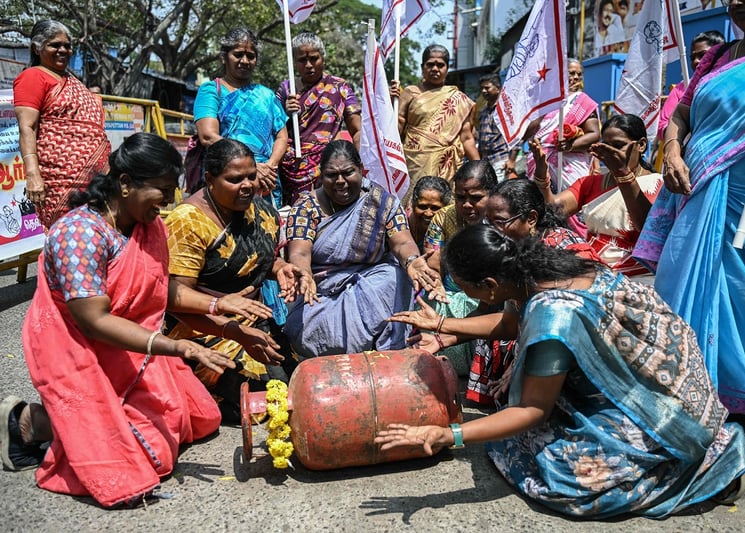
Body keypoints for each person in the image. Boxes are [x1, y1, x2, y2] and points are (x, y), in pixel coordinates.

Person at [378, 225, 745, 519]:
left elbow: (531, 411)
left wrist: (450, 434)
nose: (466, 296)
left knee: (557, 473)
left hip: (664, 415)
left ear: (489, 285)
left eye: (465, 289)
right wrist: (445, 325)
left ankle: (709, 474)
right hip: (672, 383)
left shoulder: (552, 316)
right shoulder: (533, 267)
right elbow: (511, 322)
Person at [4, 133, 272, 507]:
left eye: (173, 189)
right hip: (79, 348)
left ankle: (89, 419)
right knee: (150, 457)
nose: (169, 202)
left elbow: (160, 292)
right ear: (126, 183)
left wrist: (220, 310)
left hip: (133, 345)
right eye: (162, 190)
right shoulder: (78, 233)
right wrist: (178, 347)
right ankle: (29, 422)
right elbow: (95, 321)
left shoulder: (149, 226)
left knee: (202, 417)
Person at [636, 0, 745, 447]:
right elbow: (681, 116)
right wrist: (672, 150)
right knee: (686, 286)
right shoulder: (717, 56)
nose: (739, 1)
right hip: (700, 192)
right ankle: (698, 387)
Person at [393, 179, 600, 405]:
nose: (492, 231)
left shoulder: (565, 249)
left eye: (499, 222)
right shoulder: (515, 254)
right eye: (488, 223)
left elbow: (571, 323)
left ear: (531, 219)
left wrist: (523, 360)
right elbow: (506, 324)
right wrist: (442, 336)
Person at [164, 139, 311, 423]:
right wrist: (229, 321)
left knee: (300, 385)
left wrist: (280, 268)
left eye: (251, 176)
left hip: (253, 323)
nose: (247, 185)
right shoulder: (189, 221)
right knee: (264, 404)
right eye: (234, 179)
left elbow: (257, 261)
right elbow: (175, 298)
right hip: (202, 332)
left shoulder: (263, 211)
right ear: (209, 179)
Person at [283, 140, 439, 359]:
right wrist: (304, 274)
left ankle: (390, 355)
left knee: (395, 276)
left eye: (348, 173)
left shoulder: (381, 202)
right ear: (321, 175)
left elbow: (402, 241)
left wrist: (412, 261)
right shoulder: (307, 207)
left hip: (370, 285)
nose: (340, 182)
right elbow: (300, 251)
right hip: (319, 294)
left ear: (361, 170)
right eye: (331, 175)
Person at [535, 113, 662, 276]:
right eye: (606, 145)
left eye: (618, 145)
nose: (610, 152)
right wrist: (542, 177)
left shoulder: (659, 184)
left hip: (639, 276)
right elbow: (552, 210)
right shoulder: (590, 183)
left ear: (642, 145)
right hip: (594, 272)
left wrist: (623, 175)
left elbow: (647, 228)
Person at [13, 19, 110, 229]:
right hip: (59, 181)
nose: (63, 50)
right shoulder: (33, 77)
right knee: (70, 240)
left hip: (96, 181)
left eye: (67, 45)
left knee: (95, 238)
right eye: (55, 45)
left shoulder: (71, 80)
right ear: (36, 48)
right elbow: (27, 128)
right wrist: (33, 175)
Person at [193, 28, 288, 207]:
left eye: (250, 56)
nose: (244, 61)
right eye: (238, 54)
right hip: (227, 178)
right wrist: (251, 168)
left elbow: (282, 136)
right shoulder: (212, 90)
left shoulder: (266, 95)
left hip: (266, 179)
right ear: (224, 57)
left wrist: (269, 166)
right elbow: (207, 136)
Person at [422, 160, 497, 375]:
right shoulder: (443, 217)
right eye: (460, 198)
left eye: (476, 198)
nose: (466, 205)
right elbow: (432, 261)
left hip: (492, 296)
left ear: (492, 193)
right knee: (430, 301)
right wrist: (436, 285)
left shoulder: (502, 218)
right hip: (450, 295)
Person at [277, 32, 362, 205]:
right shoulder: (287, 89)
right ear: (294, 61)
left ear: (323, 58)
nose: (309, 65)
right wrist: (284, 113)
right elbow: (274, 130)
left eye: (314, 59)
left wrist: (360, 164)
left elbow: (358, 130)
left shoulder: (340, 87)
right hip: (291, 167)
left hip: (328, 166)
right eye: (302, 60)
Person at [394, 44, 480, 202]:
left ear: (447, 68)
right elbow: (396, 129)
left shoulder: (459, 99)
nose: (435, 68)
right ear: (422, 67)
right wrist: (389, 102)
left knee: (442, 205)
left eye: (440, 65)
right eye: (430, 64)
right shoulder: (410, 93)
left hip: (446, 166)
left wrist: (480, 170)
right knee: (413, 203)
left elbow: (467, 139)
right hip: (414, 162)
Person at [518, 59, 600, 193]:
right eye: (571, 73)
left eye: (579, 74)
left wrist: (570, 146)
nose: (576, 77)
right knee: (540, 203)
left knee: (570, 207)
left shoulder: (583, 101)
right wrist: (542, 109)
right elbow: (525, 133)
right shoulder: (544, 100)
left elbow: (594, 134)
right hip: (540, 160)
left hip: (570, 165)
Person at [657, 31, 725, 141]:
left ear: (721, 54)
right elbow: (662, 125)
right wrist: (678, 138)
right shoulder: (681, 88)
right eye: (692, 58)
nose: (696, 61)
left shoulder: (729, 82)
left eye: (703, 55)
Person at [475, 74, 518, 180]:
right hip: (485, 161)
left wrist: (511, 160)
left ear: (498, 88)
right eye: (482, 88)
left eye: (487, 88)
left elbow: (516, 137)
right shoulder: (483, 111)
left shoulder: (505, 111)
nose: (484, 91)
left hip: (501, 160)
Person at [406, 175, 451, 250]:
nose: (428, 213)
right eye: (422, 207)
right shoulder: (402, 224)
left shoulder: (452, 228)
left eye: (435, 208)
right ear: (413, 205)